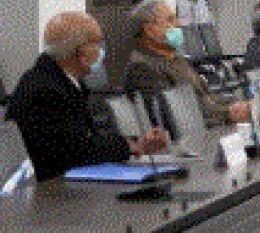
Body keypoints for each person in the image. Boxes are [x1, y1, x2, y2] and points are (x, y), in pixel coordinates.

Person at [8, 12, 167, 179]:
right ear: (80, 52)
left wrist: (135, 142)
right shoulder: (45, 89)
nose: (101, 51)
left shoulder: (64, 81)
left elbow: (87, 140)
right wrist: (128, 146)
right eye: (97, 43)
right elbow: (73, 152)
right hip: (54, 187)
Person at [124, 0, 252, 128]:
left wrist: (236, 104)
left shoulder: (177, 60)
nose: (178, 24)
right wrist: (228, 113)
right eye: (170, 20)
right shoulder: (142, 68)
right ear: (149, 30)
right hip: (191, 135)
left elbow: (206, 97)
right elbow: (178, 114)